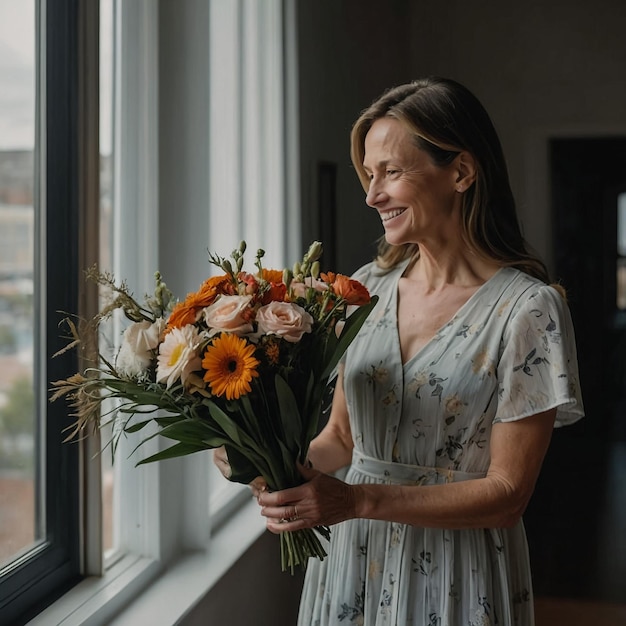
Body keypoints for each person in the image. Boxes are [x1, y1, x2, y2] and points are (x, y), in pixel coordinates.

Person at [215, 76, 584, 626]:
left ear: (460, 172)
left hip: (458, 575)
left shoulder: (528, 310)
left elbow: (508, 495)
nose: (371, 195)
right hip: (352, 561)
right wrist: (261, 458)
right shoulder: (367, 288)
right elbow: (341, 438)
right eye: (369, 174)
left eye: (390, 171)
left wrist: (358, 502)